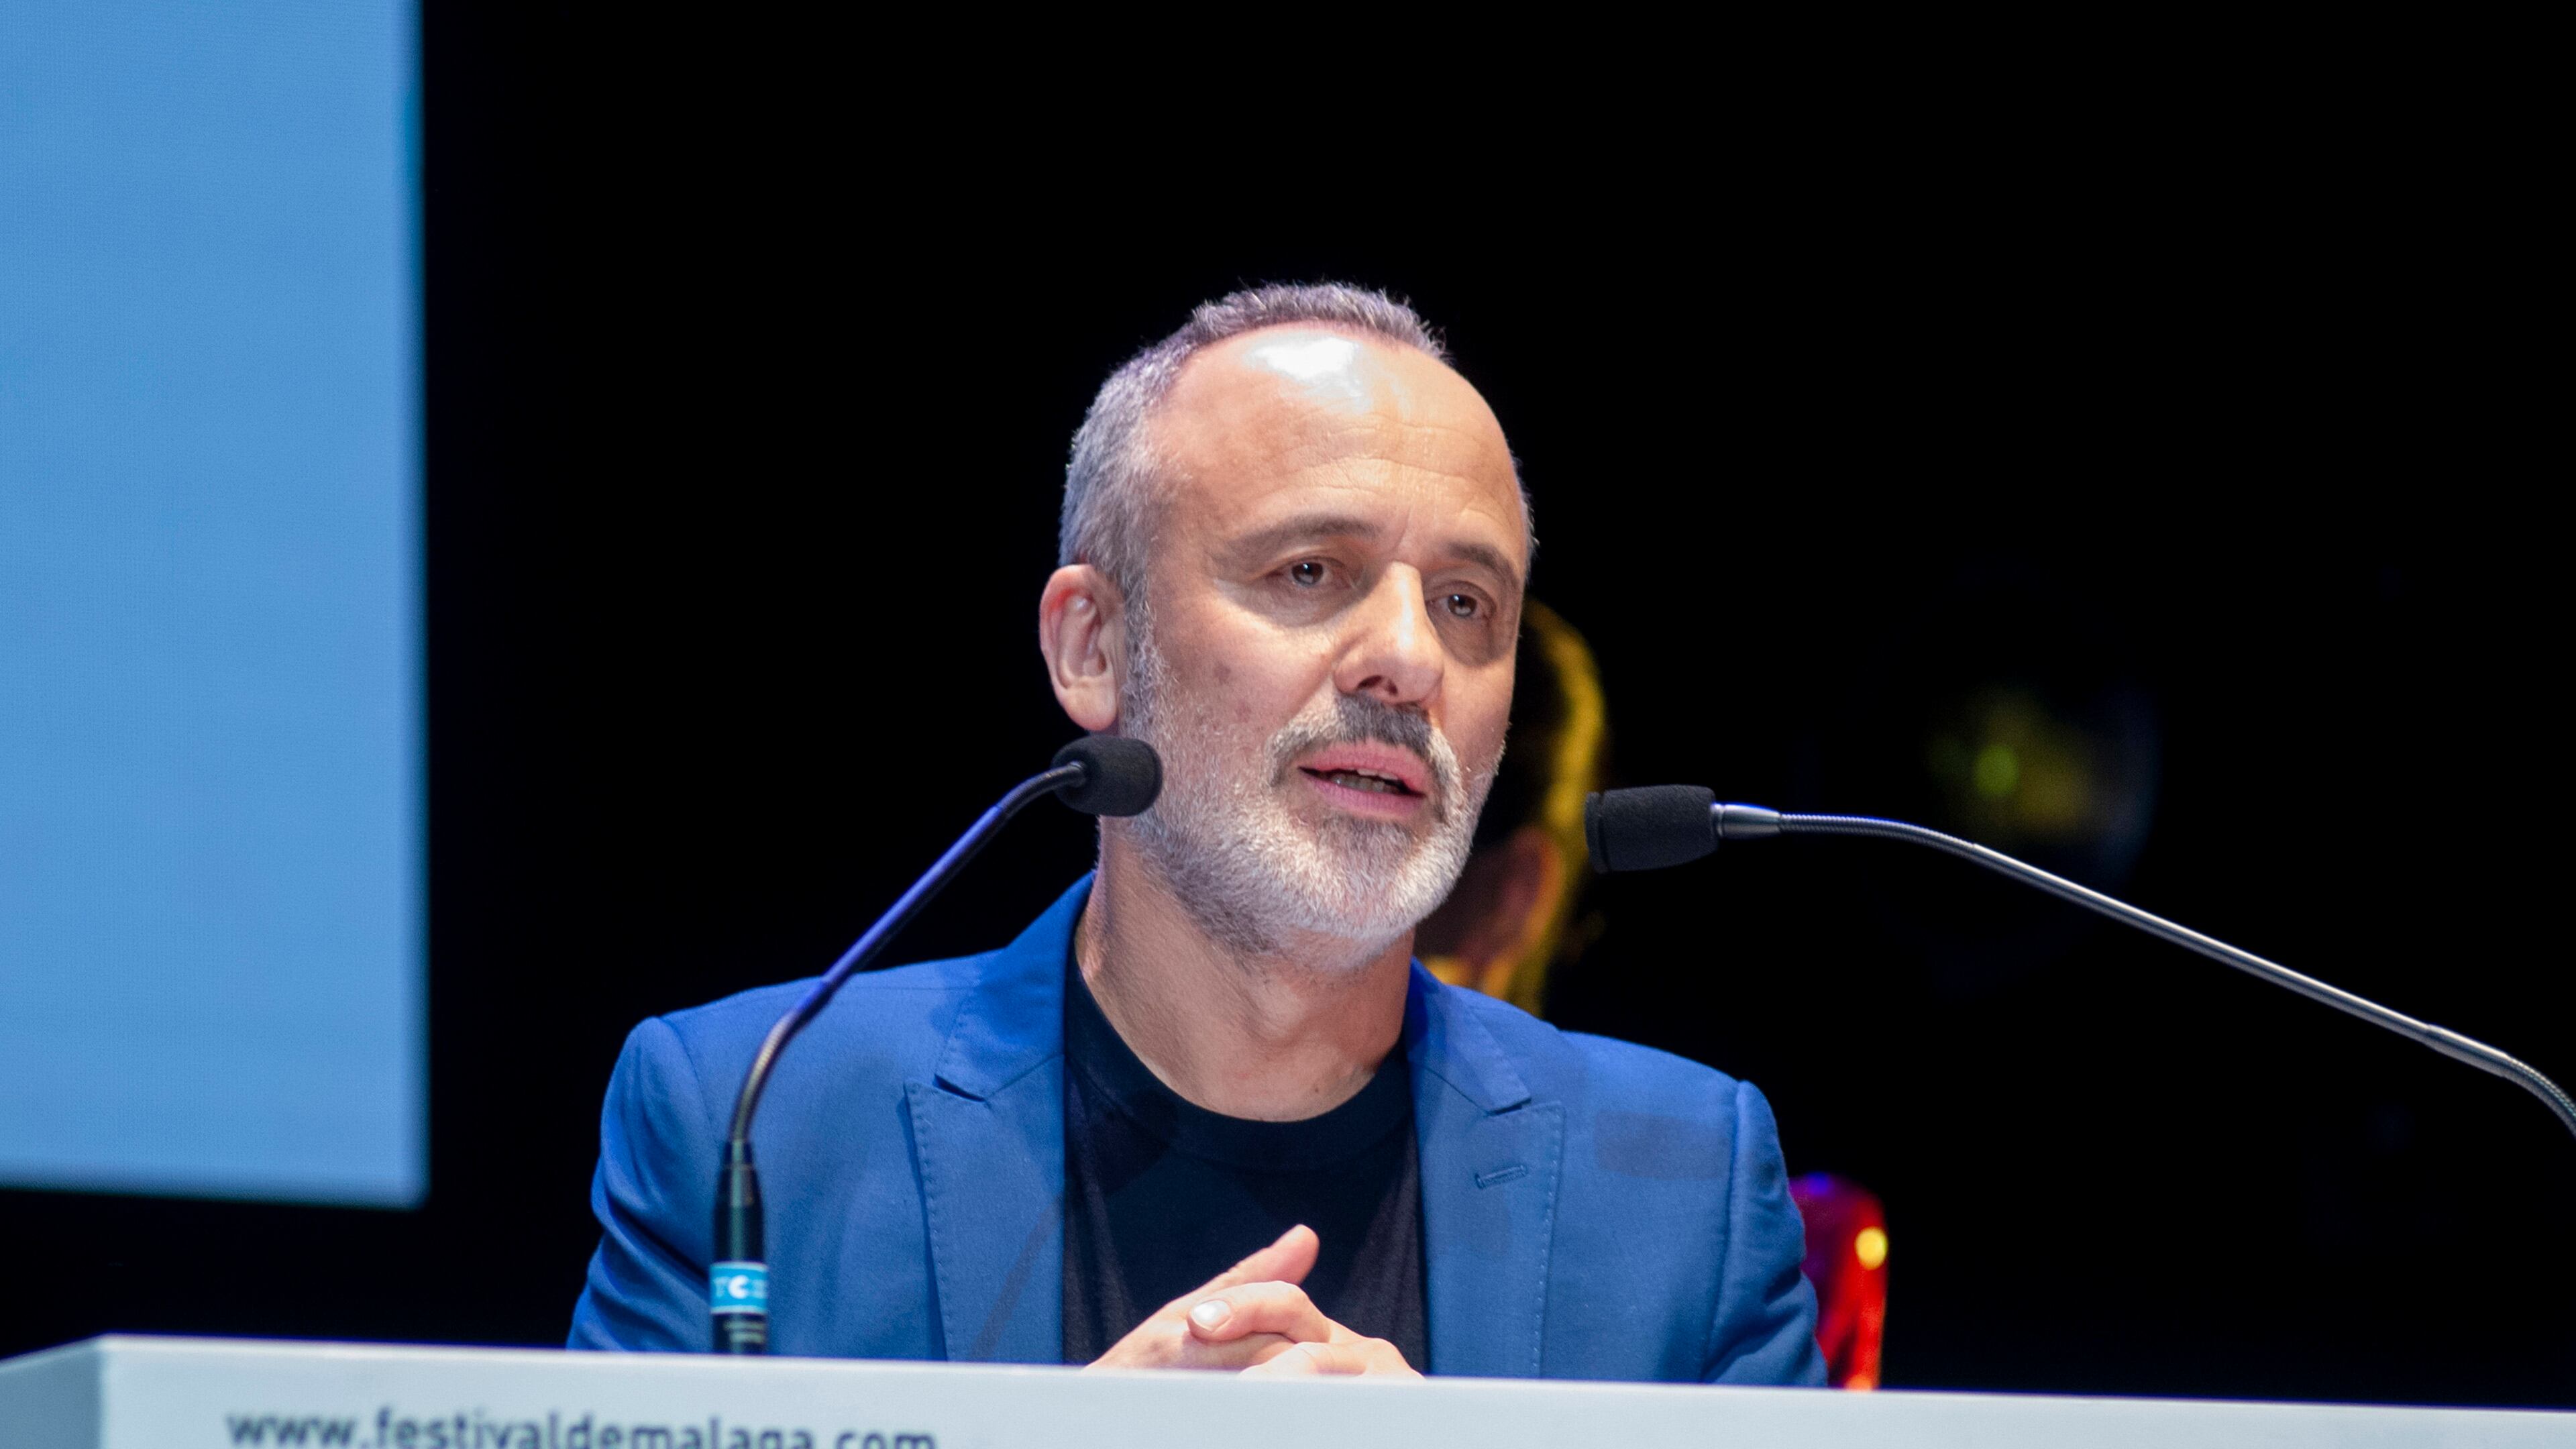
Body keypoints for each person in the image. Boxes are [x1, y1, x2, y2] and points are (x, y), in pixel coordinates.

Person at [569, 284, 1824, 1383]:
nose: (1408, 658)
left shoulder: (1683, 1191)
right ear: (1094, 647)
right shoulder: (755, 1124)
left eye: (1464, 602)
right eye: (1309, 573)